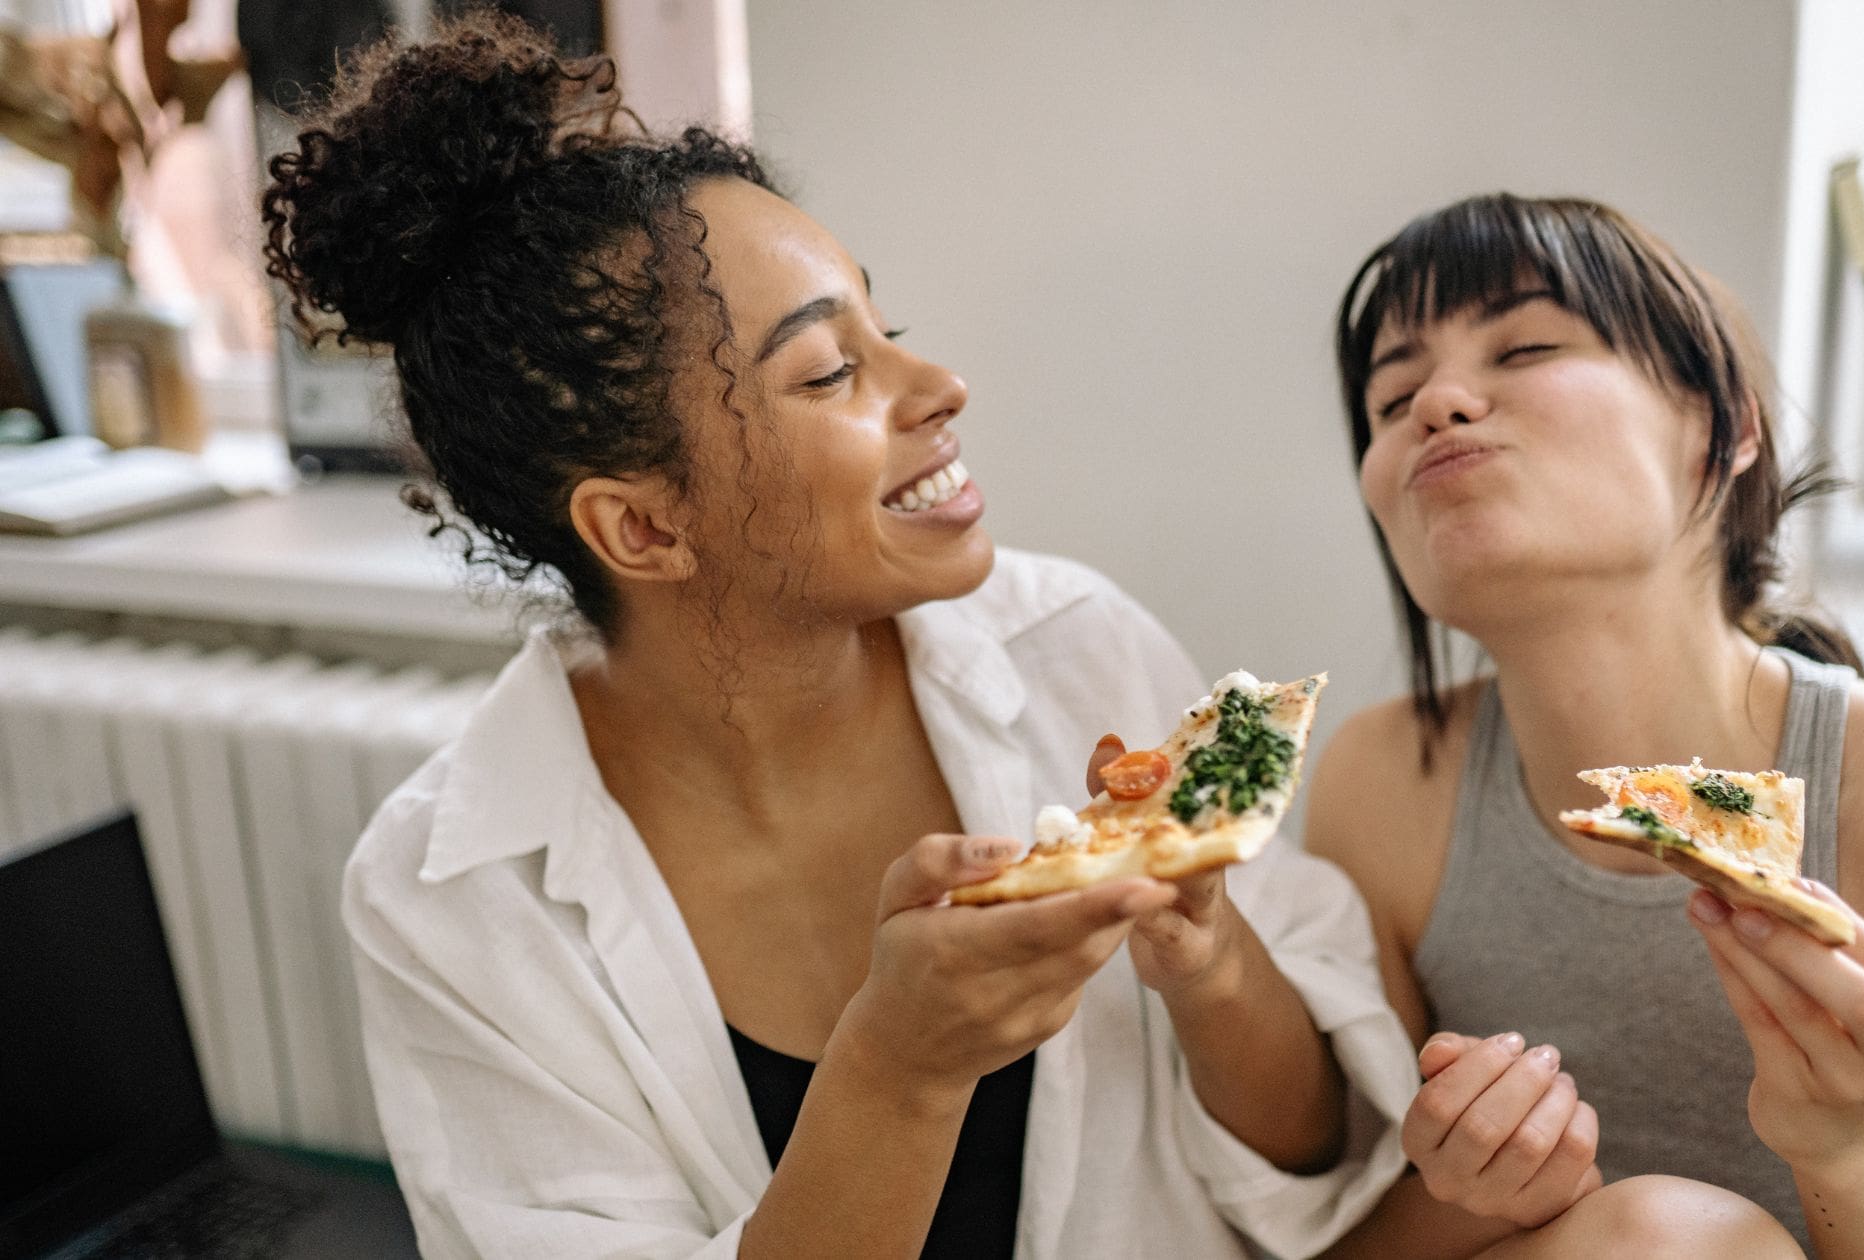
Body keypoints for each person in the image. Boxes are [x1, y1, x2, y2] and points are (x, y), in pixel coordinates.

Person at [265, 16, 1426, 1259]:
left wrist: (1207, 962)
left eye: (888, 325)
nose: (936, 389)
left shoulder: (1075, 650)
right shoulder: (449, 897)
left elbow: (1323, 1159)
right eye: (827, 374)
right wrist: (898, 1070)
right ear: (644, 529)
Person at [1306, 192, 1864, 1258]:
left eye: (1527, 347)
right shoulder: (1378, 781)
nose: (1437, 405)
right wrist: (1466, 1191)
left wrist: (1846, 1143)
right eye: (1392, 394)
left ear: (1724, 427)